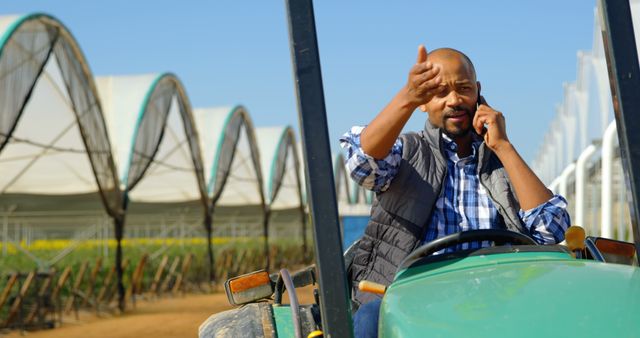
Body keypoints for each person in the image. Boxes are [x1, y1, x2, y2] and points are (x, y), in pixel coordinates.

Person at [340, 45, 571, 337]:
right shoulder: (406, 153)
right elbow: (362, 163)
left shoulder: (502, 165)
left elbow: (552, 231)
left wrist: (503, 146)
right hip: (410, 299)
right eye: (439, 93)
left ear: (478, 91)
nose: (454, 101)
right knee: (373, 315)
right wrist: (406, 98)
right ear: (423, 102)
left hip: (492, 299)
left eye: (463, 89)